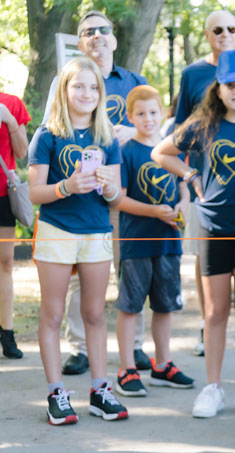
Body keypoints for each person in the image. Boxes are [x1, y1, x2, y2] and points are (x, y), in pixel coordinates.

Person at [152, 49, 235, 419]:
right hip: (213, 228)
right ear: (218, 88)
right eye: (230, 84)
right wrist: (189, 176)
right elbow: (161, 152)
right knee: (217, 311)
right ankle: (214, 387)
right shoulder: (202, 124)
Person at [41, 10, 150, 376]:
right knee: (77, 279)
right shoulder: (65, 80)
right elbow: (49, 134)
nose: (97, 36)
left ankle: (133, 347)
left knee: (129, 269)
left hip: (124, 193)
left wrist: (127, 134)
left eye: (104, 30)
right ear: (80, 41)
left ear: (114, 38)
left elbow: (153, 128)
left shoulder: (134, 80)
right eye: (88, 32)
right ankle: (80, 348)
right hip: (71, 206)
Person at [29, 57, 128, 424]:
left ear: (101, 93)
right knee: (53, 313)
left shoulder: (107, 137)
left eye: (93, 87)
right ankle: (57, 393)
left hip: (96, 232)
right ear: (64, 90)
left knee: (96, 312)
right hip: (56, 230)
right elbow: (34, 192)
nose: (86, 93)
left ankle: (100, 390)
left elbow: (116, 197)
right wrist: (66, 187)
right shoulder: (48, 134)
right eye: (78, 86)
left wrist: (109, 186)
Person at [114, 85, 194, 397]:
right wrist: (153, 211)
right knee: (131, 306)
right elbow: (118, 200)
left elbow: (185, 186)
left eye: (153, 112)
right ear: (130, 117)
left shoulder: (172, 151)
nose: (148, 119)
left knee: (165, 305)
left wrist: (182, 206)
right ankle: (127, 369)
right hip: (136, 241)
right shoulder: (126, 152)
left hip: (169, 242)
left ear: (162, 113)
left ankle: (163, 365)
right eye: (141, 113)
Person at [172, 9, 235, 358]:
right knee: (205, 259)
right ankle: (206, 323)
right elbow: (179, 132)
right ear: (207, 34)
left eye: (231, 28)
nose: (225, 34)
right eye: (218, 29)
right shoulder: (192, 74)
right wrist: (187, 181)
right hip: (204, 185)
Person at [0, 92, 30, 360]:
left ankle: (6, 333)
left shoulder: (11, 103)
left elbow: (22, 152)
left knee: (5, 263)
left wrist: (9, 120)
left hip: (1, 194)